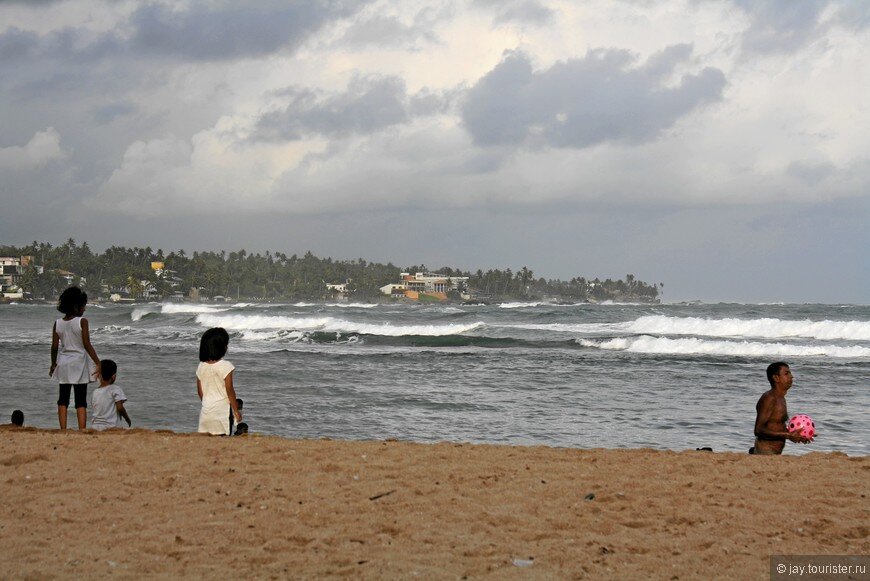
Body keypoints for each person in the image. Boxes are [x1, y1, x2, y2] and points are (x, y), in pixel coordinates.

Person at [49, 286, 101, 430]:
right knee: (80, 400)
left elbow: (54, 347)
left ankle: (63, 429)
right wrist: (98, 362)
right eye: (83, 306)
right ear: (76, 306)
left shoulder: (57, 323)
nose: (85, 309)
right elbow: (87, 344)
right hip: (79, 363)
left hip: (63, 363)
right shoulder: (82, 322)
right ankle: (82, 429)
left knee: (63, 399)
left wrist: (53, 364)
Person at [751, 362, 813, 455]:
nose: (791, 377)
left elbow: (776, 426)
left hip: (774, 453)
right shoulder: (769, 398)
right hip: (765, 452)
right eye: (786, 373)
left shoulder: (780, 398)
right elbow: (758, 430)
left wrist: (800, 434)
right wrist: (788, 435)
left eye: (790, 373)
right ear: (776, 378)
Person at [196, 328, 241, 435]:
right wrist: (235, 411)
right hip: (222, 412)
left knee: (207, 440)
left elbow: (200, 392)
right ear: (222, 348)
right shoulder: (226, 366)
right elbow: (230, 391)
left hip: (206, 412)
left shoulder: (201, 366)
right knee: (223, 437)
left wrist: (207, 403)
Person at [90, 359, 131, 430]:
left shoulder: (95, 392)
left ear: (99, 375)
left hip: (95, 427)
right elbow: (120, 407)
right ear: (114, 376)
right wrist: (127, 419)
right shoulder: (115, 389)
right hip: (111, 426)